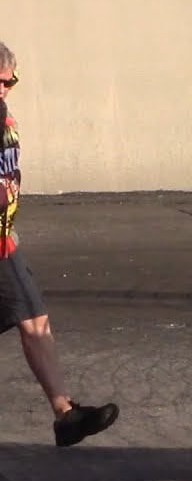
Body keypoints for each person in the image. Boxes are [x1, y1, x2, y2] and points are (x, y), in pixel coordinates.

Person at [0, 41, 119, 447]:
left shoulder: (5, 117)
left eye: (10, 80)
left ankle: (65, 414)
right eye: (0, 80)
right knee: (34, 324)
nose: (6, 87)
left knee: (36, 322)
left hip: (4, 242)